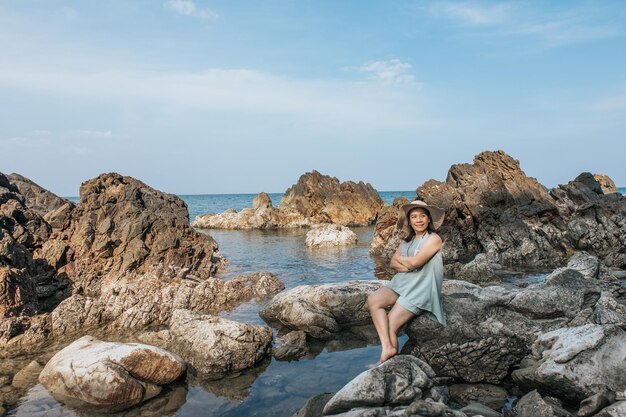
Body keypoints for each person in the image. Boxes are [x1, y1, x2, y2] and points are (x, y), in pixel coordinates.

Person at [367, 199, 446, 364]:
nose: (418, 220)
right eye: (414, 217)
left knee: (390, 325)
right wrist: (408, 264)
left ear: (429, 219)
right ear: (409, 221)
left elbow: (416, 263)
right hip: (402, 282)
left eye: (422, 216)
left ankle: (386, 360)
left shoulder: (434, 239)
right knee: (373, 300)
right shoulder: (407, 241)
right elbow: (393, 263)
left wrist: (407, 262)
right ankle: (388, 348)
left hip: (421, 288)